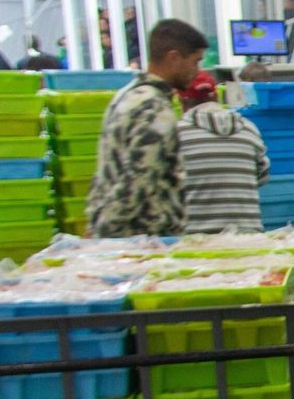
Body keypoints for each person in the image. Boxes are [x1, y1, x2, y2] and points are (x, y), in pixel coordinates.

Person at [87, 19, 208, 238]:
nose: (197, 70)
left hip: (119, 235)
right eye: (195, 61)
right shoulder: (155, 110)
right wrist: (108, 233)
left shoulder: (126, 96)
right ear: (174, 57)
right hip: (142, 239)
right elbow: (138, 180)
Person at [175, 71, 270, 233]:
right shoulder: (248, 128)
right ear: (216, 98)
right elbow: (262, 176)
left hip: (196, 242)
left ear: (182, 101)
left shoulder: (176, 134)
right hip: (248, 238)